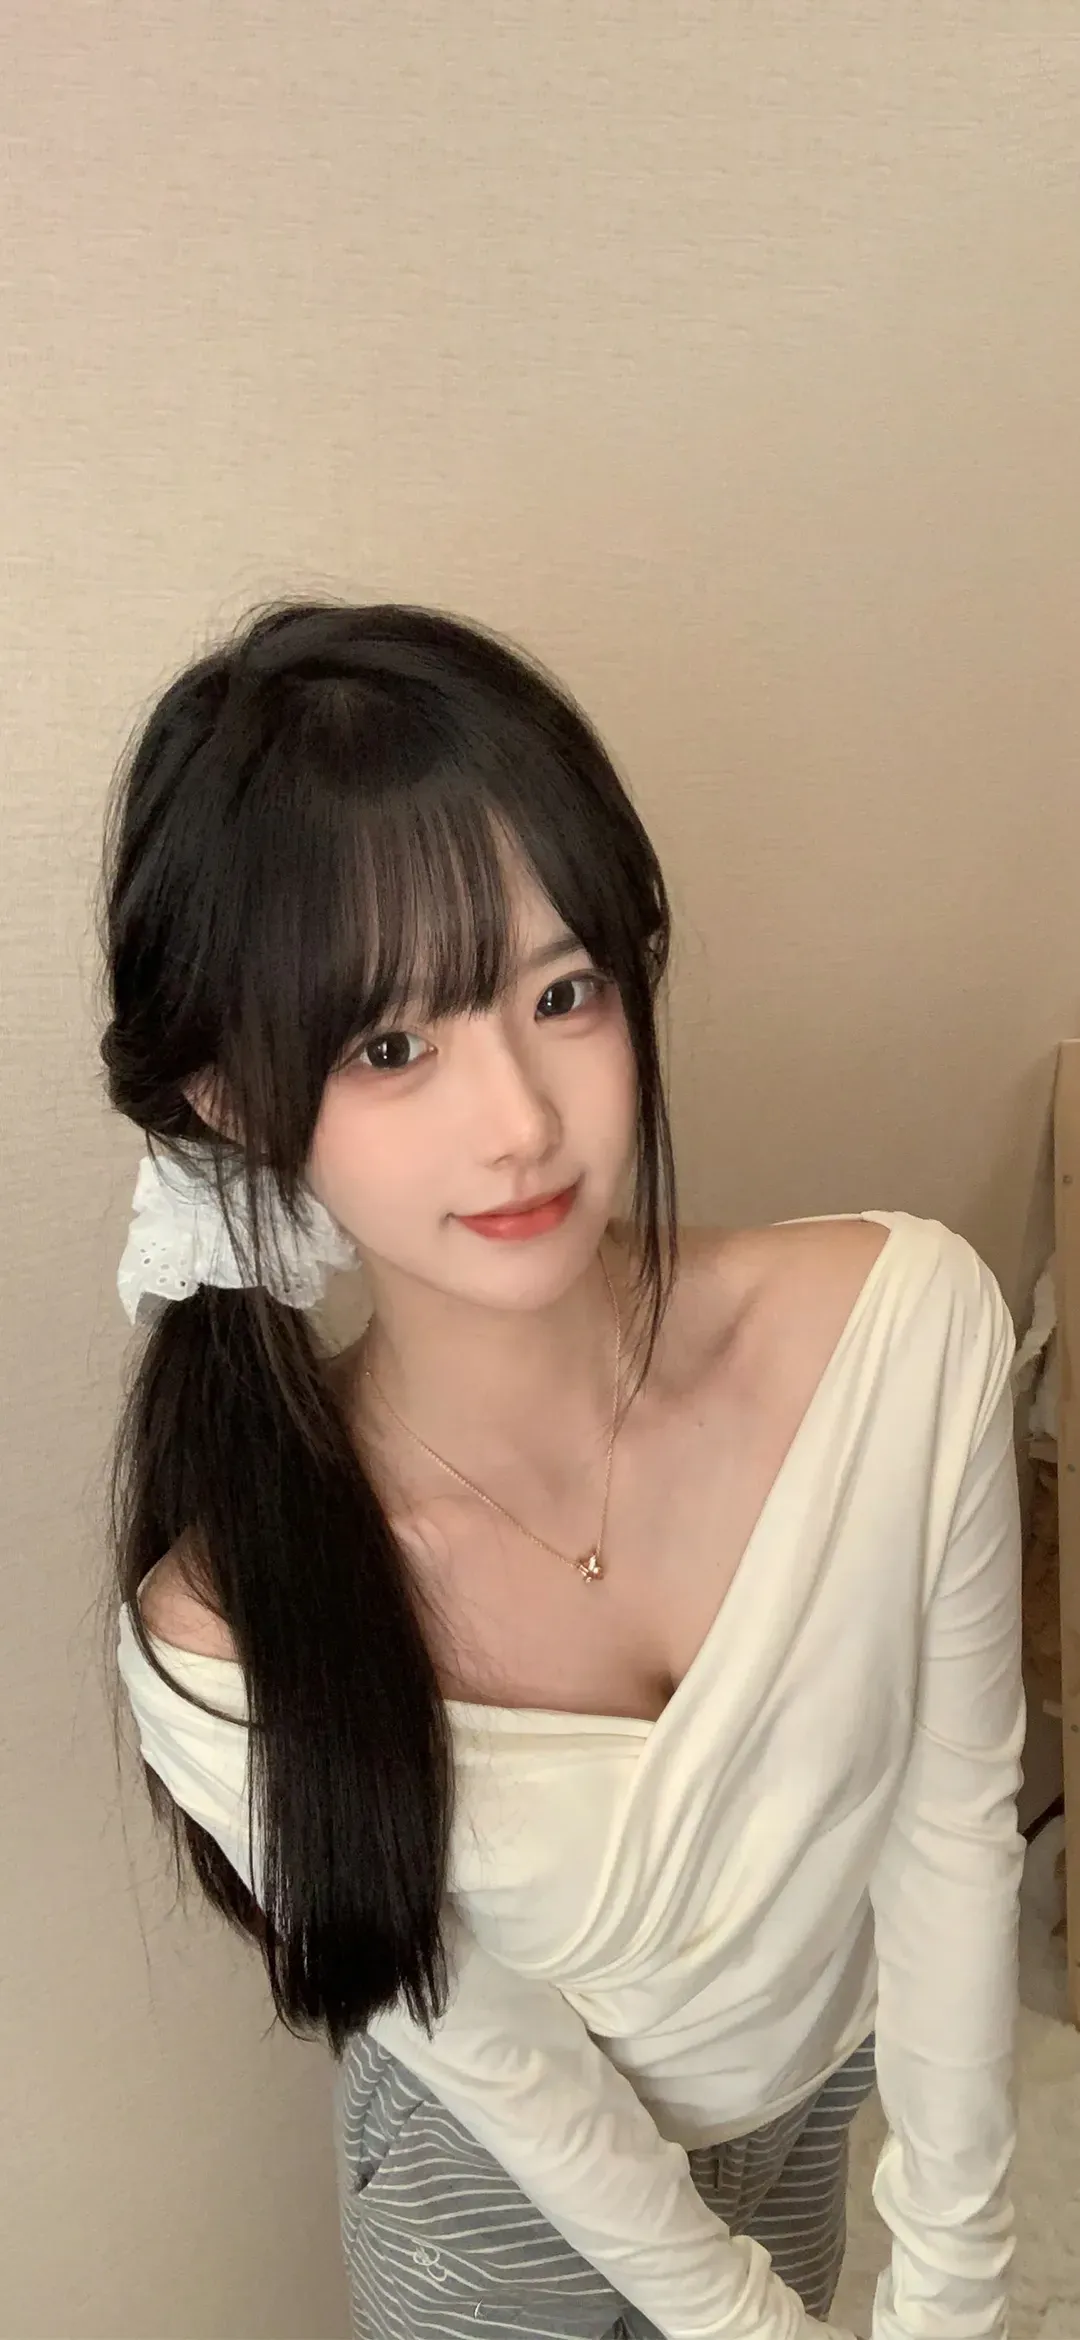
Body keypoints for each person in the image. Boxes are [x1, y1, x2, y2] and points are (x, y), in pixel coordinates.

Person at [104, 602, 1024, 2340]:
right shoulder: (222, 1639)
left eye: (562, 991)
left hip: (810, 2107)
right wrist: (743, 2324)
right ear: (232, 1099)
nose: (520, 1120)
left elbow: (953, 1829)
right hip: (487, 2194)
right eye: (391, 1047)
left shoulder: (907, 1337)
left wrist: (959, 2293)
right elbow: (499, 2058)